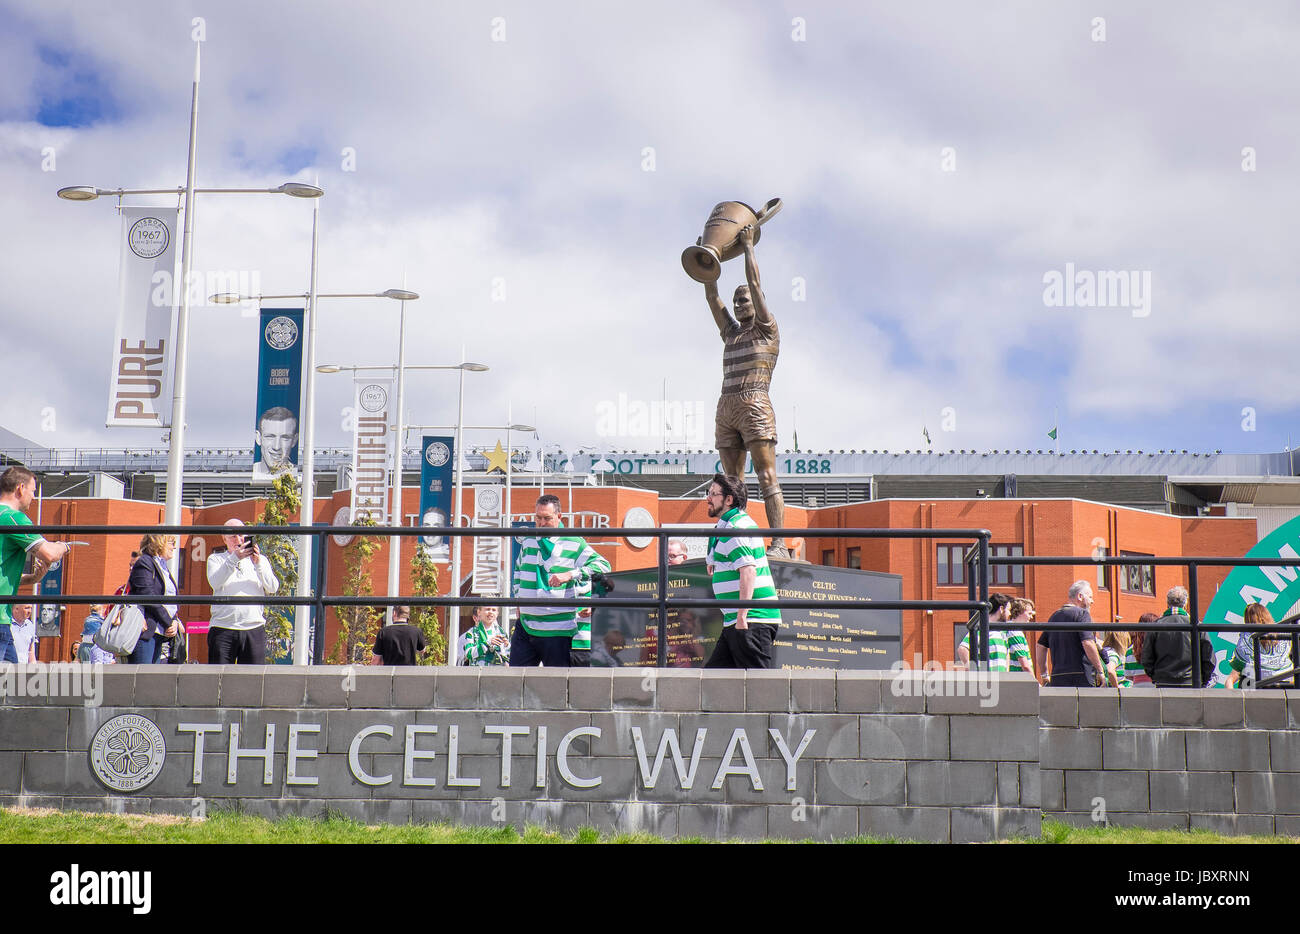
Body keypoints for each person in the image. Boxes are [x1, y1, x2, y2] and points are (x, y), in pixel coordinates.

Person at [703, 224, 788, 557]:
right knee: (728, 484)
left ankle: (779, 544)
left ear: (758, 301)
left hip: (755, 403)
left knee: (766, 475)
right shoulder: (731, 333)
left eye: (745, 299)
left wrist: (749, 247)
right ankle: (733, 543)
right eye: (736, 301)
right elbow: (712, 295)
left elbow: (755, 282)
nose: (739, 304)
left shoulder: (767, 329)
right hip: (727, 408)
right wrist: (708, 258)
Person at [510, 494, 611, 667]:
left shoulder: (574, 542)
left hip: (557, 627)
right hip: (526, 625)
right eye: (538, 518)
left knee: (555, 684)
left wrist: (572, 574)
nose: (541, 523)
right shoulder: (528, 541)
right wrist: (518, 600)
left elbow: (603, 565)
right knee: (515, 682)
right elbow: (519, 570)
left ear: (559, 517)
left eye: (547, 518)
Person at [702, 473, 782, 668]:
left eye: (713, 494)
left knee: (756, 685)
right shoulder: (730, 526)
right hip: (738, 620)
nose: (708, 498)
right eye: (708, 493)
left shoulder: (735, 529)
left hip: (751, 620)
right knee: (714, 683)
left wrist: (742, 616)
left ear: (728, 499)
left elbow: (748, 571)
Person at [0, 466, 68, 663]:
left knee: (14, 685)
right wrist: (64, 546)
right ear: (20, 489)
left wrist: (33, 579)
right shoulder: (13, 518)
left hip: (4, 620)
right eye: (33, 491)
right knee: (14, 686)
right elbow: (49, 554)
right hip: (1, 619)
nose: (33, 497)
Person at [206, 518, 279, 664]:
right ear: (224, 538)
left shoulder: (260, 560)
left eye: (241, 535)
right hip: (223, 627)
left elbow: (272, 587)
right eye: (233, 536)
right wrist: (234, 558)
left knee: (253, 680)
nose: (238, 539)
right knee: (218, 678)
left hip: (254, 627)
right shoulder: (216, 559)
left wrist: (258, 564)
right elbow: (215, 582)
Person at [124, 533, 182, 665]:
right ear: (159, 543)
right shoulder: (145, 562)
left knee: (152, 679)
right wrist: (168, 622)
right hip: (146, 631)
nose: (174, 547)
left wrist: (173, 621)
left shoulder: (162, 567)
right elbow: (148, 595)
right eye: (171, 543)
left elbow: (170, 600)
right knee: (142, 678)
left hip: (159, 631)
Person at [1035, 580, 1104, 687]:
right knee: (1084, 704)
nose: (1092, 601)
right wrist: (1100, 671)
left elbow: (1040, 646)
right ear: (1080, 596)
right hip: (1082, 675)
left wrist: (1044, 675)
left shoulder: (1054, 617)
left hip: (1058, 676)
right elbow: (1087, 643)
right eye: (1090, 597)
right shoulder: (1082, 614)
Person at [1141, 585, 1214, 687]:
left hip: (1163, 682)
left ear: (1167, 603)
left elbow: (1146, 658)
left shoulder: (1156, 626)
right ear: (1186, 604)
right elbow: (1208, 658)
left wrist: (1156, 676)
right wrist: (1203, 679)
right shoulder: (1197, 626)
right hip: (1191, 681)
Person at [1224, 602, 1292, 689]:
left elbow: (1230, 680)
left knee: (1245, 678)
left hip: (1253, 691)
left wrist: (1233, 700)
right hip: (1283, 689)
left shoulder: (1246, 647)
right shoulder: (1283, 642)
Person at [253, 406, 299, 479]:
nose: (276, 447)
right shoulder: (249, 473)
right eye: (270, 437)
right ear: (258, 438)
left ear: (294, 440)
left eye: (285, 438)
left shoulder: (301, 477)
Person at [1124, 614, 1158, 686]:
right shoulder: (1159, 649)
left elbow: (1129, 677)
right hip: (1157, 689)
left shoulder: (1130, 651)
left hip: (1137, 691)